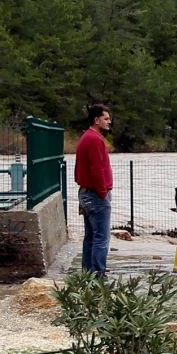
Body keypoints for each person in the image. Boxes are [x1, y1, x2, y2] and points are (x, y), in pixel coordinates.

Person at [74, 104, 113, 277]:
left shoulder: (86, 137)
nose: (109, 122)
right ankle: (98, 274)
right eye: (106, 118)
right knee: (101, 238)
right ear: (97, 120)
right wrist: (103, 192)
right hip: (96, 194)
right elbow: (97, 169)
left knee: (90, 236)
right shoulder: (94, 139)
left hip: (86, 192)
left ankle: (87, 274)